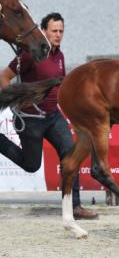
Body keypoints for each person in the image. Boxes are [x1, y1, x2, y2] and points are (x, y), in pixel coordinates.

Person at [0, 12, 98, 219]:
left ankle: (75, 206)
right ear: (44, 31)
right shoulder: (29, 54)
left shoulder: (59, 56)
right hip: (31, 120)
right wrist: (16, 105)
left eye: (61, 31)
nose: (58, 35)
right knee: (31, 165)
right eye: (54, 30)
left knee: (71, 156)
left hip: (54, 117)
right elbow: (4, 77)